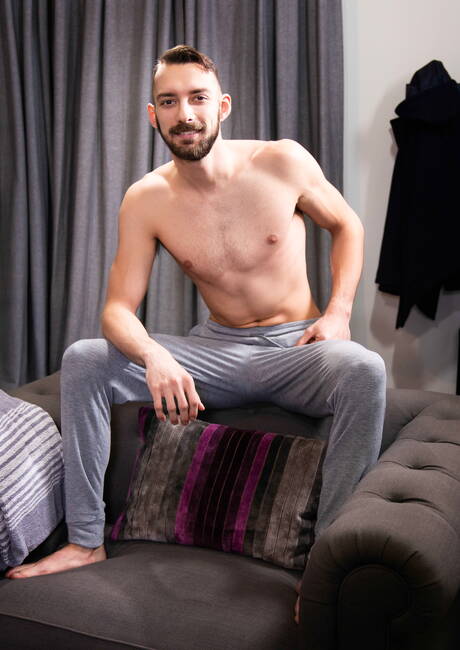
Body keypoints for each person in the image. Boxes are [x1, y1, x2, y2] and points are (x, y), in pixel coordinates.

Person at [6, 45, 386, 624]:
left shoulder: (281, 161)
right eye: (169, 102)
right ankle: (84, 539)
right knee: (85, 357)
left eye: (197, 98)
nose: (185, 114)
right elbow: (116, 310)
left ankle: (323, 566)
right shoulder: (147, 199)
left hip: (297, 349)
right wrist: (153, 355)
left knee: (365, 369)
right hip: (215, 350)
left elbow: (347, 226)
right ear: (152, 115)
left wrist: (337, 312)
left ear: (222, 106)